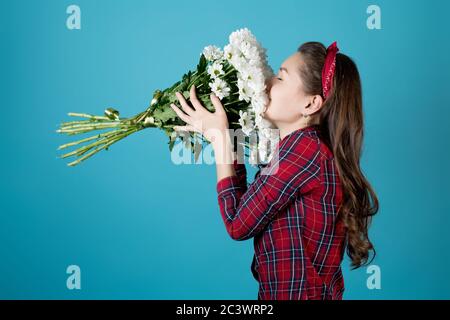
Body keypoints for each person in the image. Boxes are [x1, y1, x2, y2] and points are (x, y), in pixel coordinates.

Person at [170, 41, 379, 300]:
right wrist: (230, 128)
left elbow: (237, 224)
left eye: (280, 77)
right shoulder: (299, 148)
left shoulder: (304, 152)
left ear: (311, 104)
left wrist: (219, 137)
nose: (267, 83)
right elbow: (246, 206)